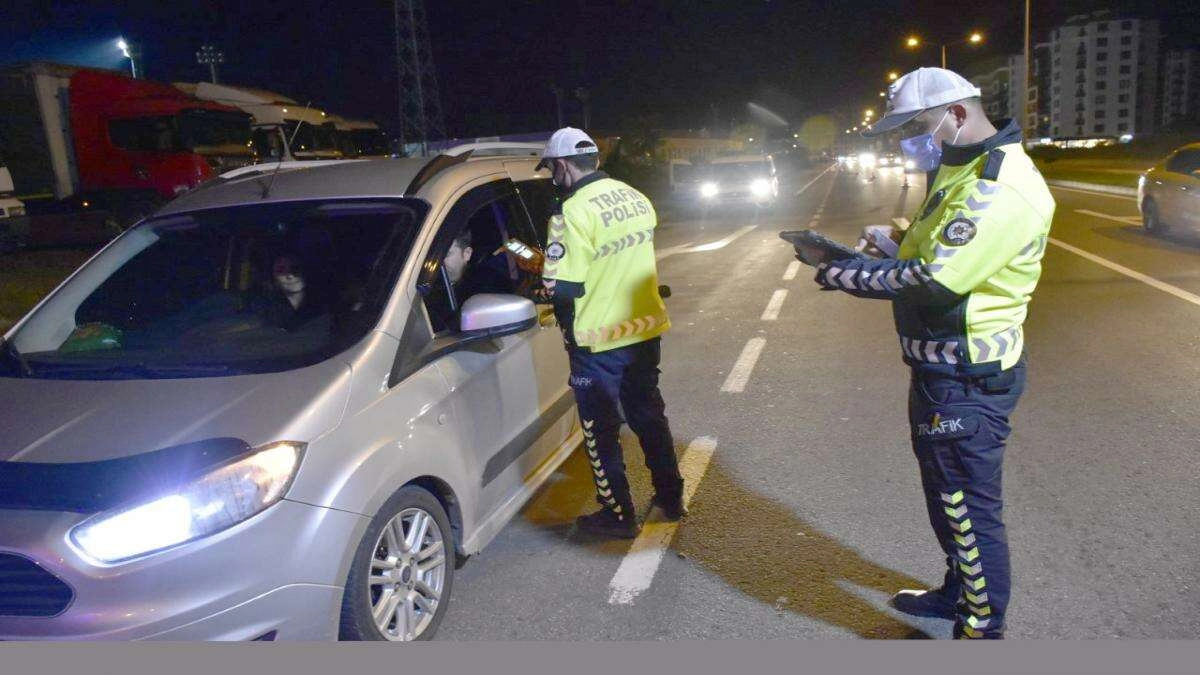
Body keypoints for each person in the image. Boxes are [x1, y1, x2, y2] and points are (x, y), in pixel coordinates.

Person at [791, 68, 1055, 639]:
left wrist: (844, 273)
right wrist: (890, 248)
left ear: (956, 114)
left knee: (969, 510)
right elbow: (937, 253)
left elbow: (937, 279)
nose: (908, 140)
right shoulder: (959, 167)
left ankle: (981, 629)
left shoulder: (998, 184)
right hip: (939, 372)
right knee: (947, 500)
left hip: (967, 376)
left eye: (916, 127)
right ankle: (959, 593)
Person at [534, 126, 684, 539]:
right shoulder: (635, 197)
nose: (552, 177)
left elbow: (563, 288)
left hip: (598, 341)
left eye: (551, 169)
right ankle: (671, 498)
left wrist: (541, 282)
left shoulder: (570, 213)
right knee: (649, 416)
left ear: (562, 165)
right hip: (643, 327)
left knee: (599, 432)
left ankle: (618, 516)